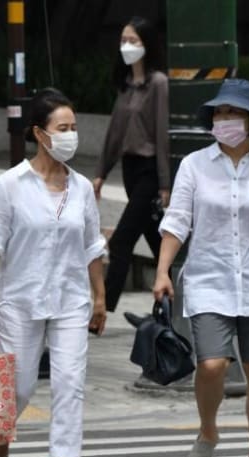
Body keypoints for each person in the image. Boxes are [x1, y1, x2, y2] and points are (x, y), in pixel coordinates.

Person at [0, 88, 107, 457]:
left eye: (74, 127)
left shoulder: (81, 187)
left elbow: (92, 246)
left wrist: (99, 298)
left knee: (69, 380)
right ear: (39, 133)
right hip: (21, 297)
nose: (70, 135)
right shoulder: (10, 184)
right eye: (62, 128)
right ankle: (0, 435)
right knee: (21, 383)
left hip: (71, 298)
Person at [152, 79, 249, 457]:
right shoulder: (194, 165)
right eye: (219, 112)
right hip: (210, 279)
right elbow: (177, 222)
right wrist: (162, 270)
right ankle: (208, 431)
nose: (224, 119)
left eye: (234, 112)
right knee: (212, 365)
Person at [93, 16, 169, 313]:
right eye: (123, 40)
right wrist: (100, 173)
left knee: (122, 239)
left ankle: (103, 307)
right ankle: (174, 297)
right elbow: (115, 133)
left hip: (150, 170)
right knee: (155, 237)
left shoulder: (159, 83)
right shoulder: (125, 85)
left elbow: (162, 135)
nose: (127, 46)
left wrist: (165, 182)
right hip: (130, 169)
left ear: (147, 44)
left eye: (133, 40)